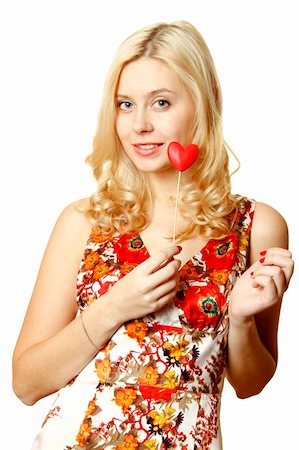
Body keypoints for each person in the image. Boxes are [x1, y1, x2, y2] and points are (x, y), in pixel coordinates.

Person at [12, 20, 294, 450]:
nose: (139, 124)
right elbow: (26, 384)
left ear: (204, 103)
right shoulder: (84, 221)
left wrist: (238, 318)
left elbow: (250, 384)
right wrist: (113, 307)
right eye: (125, 104)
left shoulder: (258, 226)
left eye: (160, 103)